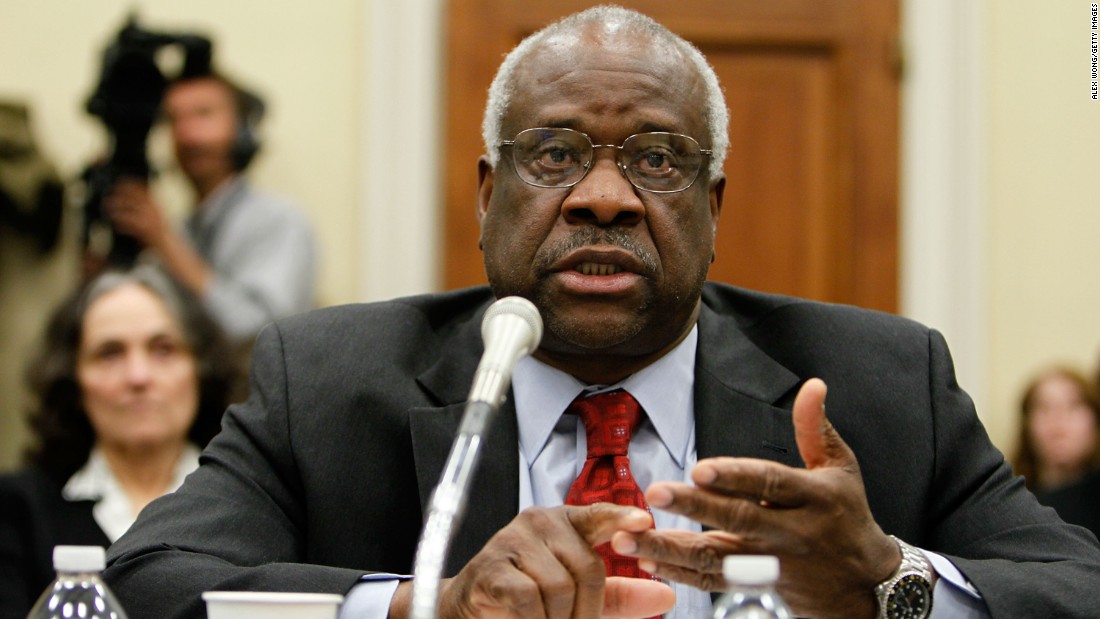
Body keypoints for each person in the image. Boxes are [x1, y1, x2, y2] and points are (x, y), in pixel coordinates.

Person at [104, 6, 1100, 619]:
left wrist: (885, 583)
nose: (604, 197)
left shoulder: (878, 384)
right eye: (554, 155)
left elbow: (1075, 586)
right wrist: (424, 605)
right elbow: (144, 578)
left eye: (658, 160)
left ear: (711, 211)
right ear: (487, 195)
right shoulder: (329, 379)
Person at [0, 265, 237, 618]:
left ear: (201, 370)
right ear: (73, 379)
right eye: (110, 353)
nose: (138, 377)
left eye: (164, 349)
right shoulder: (16, 509)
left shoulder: (247, 504)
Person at [100, 71, 316, 347]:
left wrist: (165, 243)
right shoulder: (177, 231)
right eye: (173, 119)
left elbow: (257, 330)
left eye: (203, 114)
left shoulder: (281, 221)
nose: (186, 133)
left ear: (243, 130)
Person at [1011, 366, 1100, 539]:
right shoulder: (1008, 504)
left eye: (1074, 405)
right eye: (1043, 407)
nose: (1058, 418)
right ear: (1027, 425)